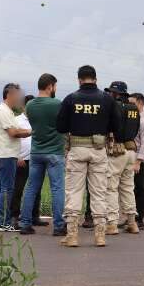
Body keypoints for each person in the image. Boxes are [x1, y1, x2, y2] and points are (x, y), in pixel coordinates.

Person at [56, 65, 120, 247]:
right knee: (99, 191)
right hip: (99, 150)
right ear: (96, 79)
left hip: (76, 148)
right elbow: (117, 126)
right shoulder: (107, 100)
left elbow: (60, 127)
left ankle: (72, 235)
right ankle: (100, 235)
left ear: (79, 79)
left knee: (74, 191)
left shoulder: (70, 99)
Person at [20, 74, 67, 236]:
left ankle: (25, 223)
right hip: (55, 152)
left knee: (31, 188)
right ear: (50, 86)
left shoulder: (30, 105)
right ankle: (59, 226)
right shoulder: (57, 104)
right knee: (57, 188)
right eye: (55, 86)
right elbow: (64, 125)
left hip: (36, 151)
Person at [0, 83, 31, 231]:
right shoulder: (4, 112)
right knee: (7, 189)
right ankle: (4, 222)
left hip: (0, 155)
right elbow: (13, 132)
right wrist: (31, 132)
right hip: (6, 155)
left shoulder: (4, 111)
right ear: (10, 95)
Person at [103, 81, 140, 235]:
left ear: (116, 94)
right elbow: (136, 128)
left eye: (111, 92)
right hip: (131, 151)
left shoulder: (113, 106)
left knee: (111, 188)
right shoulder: (134, 109)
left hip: (117, 150)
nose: (109, 94)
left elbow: (108, 127)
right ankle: (132, 222)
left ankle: (112, 223)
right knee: (127, 187)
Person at [10, 95, 46, 229]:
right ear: (24, 106)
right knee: (18, 189)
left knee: (37, 189)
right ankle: (14, 216)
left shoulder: (38, 120)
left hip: (37, 158)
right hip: (21, 160)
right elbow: (11, 139)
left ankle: (34, 216)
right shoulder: (16, 120)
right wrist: (17, 156)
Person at [129, 92, 144, 230]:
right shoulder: (134, 118)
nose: (130, 106)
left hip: (138, 161)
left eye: (132, 103)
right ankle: (131, 218)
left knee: (139, 189)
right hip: (130, 158)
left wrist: (138, 162)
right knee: (129, 190)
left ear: (140, 103)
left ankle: (140, 220)